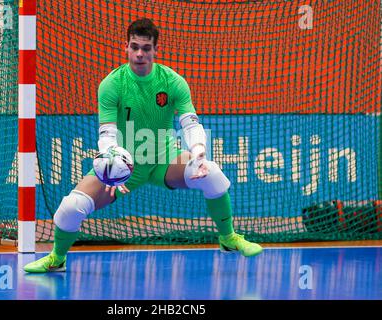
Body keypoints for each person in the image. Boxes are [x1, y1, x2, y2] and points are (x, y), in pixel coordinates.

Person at [24, 18, 263, 273]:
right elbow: (107, 134)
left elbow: (190, 124)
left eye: (146, 48)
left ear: (155, 50)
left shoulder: (172, 82)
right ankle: (57, 258)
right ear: (125, 47)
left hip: (164, 159)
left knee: (212, 173)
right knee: (70, 208)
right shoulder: (112, 84)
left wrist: (198, 153)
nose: (139, 53)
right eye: (134, 46)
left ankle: (228, 238)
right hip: (126, 164)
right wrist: (112, 166)